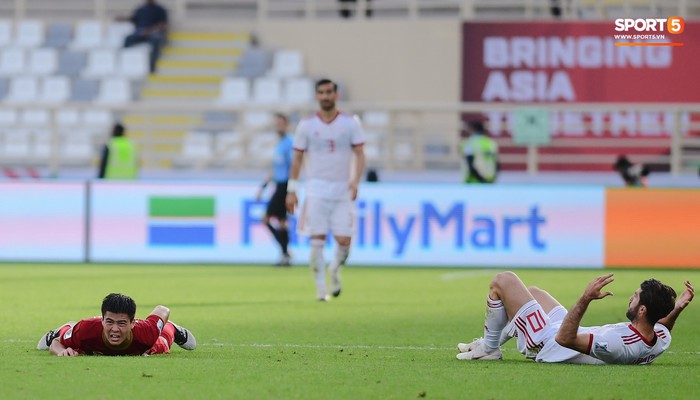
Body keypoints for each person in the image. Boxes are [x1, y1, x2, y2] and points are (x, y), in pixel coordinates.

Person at [455, 271, 694, 364]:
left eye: (635, 297)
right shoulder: (659, 336)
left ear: (643, 310)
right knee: (535, 293)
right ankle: (490, 342)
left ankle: (489, 348)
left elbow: (565, 339)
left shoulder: (617, 345)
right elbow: (663, 326)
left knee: (503, 280)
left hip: (549, 343)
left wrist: (585, 298)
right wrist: (678, 308)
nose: (629, 299)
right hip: (565, 331)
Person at [286, 78, 366, 301]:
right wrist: (292, 189)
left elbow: (360, 153)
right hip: (316, 190)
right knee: (317, 240)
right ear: (317, 96)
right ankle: (321, 290)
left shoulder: (350, 123)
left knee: (344, 241)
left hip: (342, 190)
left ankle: (334, 270)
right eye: (321, 92)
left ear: (336, 95)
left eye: (329, 92)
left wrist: (356, 180)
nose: (325, 96)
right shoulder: (307, 125)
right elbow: (297, 158)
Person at [37, 293, 196, 356]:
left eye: (121, 323)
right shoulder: (86, 328)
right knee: (72, 338)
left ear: (132, 323)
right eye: (110, 322)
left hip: (143, 339)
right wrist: (61, 352)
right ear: (102, 320)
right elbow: (56, 344)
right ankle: (66, 327)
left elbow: (162, 309)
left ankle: (173, 328)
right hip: (83, 333)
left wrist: (164, 325)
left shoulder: (146, 332)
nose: (115, 329)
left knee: (159, 345)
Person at [256, 113, 294, 266]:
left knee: (267, 218)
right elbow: (275, 169)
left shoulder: (289, 143)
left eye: (281, 123)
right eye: (276, 123)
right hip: (278, 185)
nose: (278, 126)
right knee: (282, 221)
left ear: (286, 125)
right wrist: (263, 186)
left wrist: (292, 188)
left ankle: (285, 251)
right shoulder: (279, 144)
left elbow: (293, 167)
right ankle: (285, 253)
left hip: (285, 186)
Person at [121, 0, 168, 73]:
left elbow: (163, 24)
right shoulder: (141, 9)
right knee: (128, 39)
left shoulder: (160, 10)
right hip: (140, 33)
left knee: (156, 41)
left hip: (153, 34)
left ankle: (152, 67)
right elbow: (133, 19)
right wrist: (122, 19)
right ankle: (126, 64)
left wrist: (149, 31)